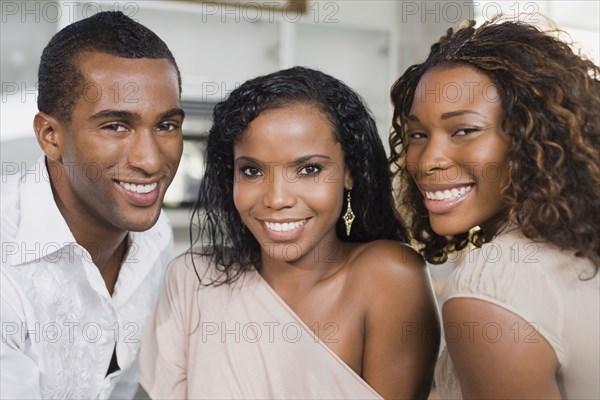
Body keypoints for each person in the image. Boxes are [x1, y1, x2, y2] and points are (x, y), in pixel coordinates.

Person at [140, 66, 440, 399]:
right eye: (251, 171)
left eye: (309, 169)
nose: (277, 199)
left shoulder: (389, 275)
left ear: (349, 173)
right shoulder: (193, 278)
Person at [389, 18, 600, 399]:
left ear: (531, 135)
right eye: (418, 134)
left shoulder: (490, 284)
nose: (427, 160)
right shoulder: (576, 248)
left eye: (464, 130)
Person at [0, 11, 184, 399]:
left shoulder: (155, 234)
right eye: (116, 126)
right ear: (50, 135)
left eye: (166, 125)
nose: (151, 161)